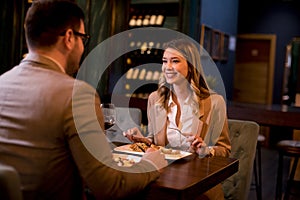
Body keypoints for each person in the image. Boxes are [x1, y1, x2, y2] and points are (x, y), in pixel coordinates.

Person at [0, 1, 167, 200]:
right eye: (83, 38)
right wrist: (151, 164)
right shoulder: (77, 94)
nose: (82, 47)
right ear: (69, 38)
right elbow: (110, 187)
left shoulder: (2, 82)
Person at [124, 38, 231, 199]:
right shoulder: (155, 99)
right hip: (163, 180)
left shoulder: (215, 103)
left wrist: (206, 150)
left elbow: (225, 150)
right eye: (164, 61)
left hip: (198, 185)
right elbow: (155, 142)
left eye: (175, 61)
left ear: (191, 66)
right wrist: (143, 140)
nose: (168, 67)